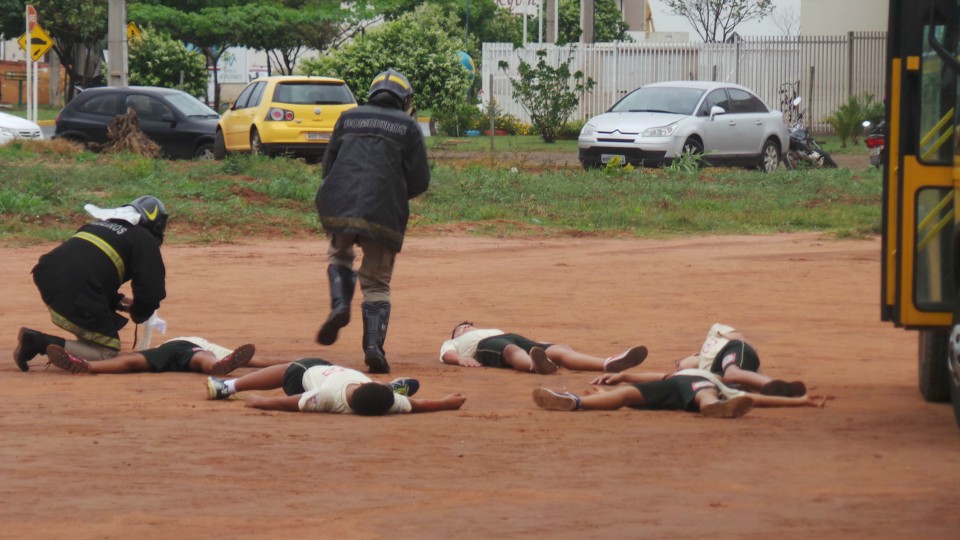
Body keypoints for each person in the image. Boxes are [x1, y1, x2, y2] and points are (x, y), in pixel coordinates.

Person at [314, 68, 430, 375]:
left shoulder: (348, 118)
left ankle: (340, 305)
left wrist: (338, 191)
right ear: (405, 99)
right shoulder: (408, 126)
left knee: (339, 255)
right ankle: (373, 347)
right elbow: (420, 179)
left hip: (338, 204)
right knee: (377, 282)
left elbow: (329, 165)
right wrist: (394, 193)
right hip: (382, 212)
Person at [14, 196, 168, 371]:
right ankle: (38, 342)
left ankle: (62, 344)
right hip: (77, 284)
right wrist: (141, 314)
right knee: (107, 352)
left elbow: (89, 266)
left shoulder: (97, 225)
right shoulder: (144, 239)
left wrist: (118, 302)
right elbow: (151, 290)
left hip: (46, 272)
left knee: (92, 335)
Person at [206, 358, 466, 416]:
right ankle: (391, 386)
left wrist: (255, 400)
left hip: (308, 375)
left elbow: (287, 402)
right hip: (331, 372)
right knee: (399, 394)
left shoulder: (327, 397)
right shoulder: (390, 404)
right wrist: (446, 402)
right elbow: (420, 405)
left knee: (290, 367)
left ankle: (227, 387)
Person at [532, 368, 829, 418]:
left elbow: (756, 399)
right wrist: (622, 376)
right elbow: (659, 375)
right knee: (624, 395)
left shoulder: (716, 379)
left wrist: (801, 401)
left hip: (695, 387)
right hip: (677, 388)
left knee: (705, 393)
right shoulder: (704, 376)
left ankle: (711, 407)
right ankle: (574, 401)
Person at [439, 321, 648, 374]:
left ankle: (607, 363)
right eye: (460, 329)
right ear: (456, 335)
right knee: (512, 352)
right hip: (484, 347)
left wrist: (542, 343)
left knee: (558, 349)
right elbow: (448, 353)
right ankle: (534, 366)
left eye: (468, 325)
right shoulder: (456, 342)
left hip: (508, 336)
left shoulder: (492, 328)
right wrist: (459, 359)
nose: (465, 328)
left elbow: (518, 339)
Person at [673, 323, 807, 397]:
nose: (679, 369)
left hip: (733, 348)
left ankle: (786, 388)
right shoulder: (704, 371)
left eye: (678, 364)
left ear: (695, 354)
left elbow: (741, 340)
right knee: (724, 380)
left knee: (731, 374)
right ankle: (768, 391)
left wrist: (756, 363)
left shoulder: (713, 335)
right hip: (725, 372)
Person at [43, 337, 255, 376]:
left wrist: (290, 362)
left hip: (175, 349)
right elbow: (257, 361)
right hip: (192, 351)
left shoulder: (210, 346)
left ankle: (86, 365)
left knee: (131, 361)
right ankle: (218, 367)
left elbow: (257, 361)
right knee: (203, 360)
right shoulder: (213, 348)